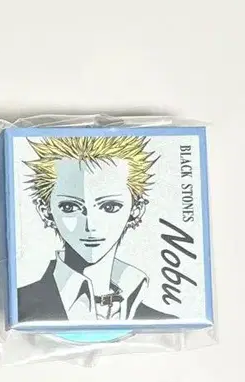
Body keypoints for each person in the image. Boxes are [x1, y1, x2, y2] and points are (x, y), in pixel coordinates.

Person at [18, 134, 171, 323]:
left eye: (110, 207)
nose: (90, 226)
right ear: (46, 211)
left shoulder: (165, 322)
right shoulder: (19, 307)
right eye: (69, 207)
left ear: (136, 210)